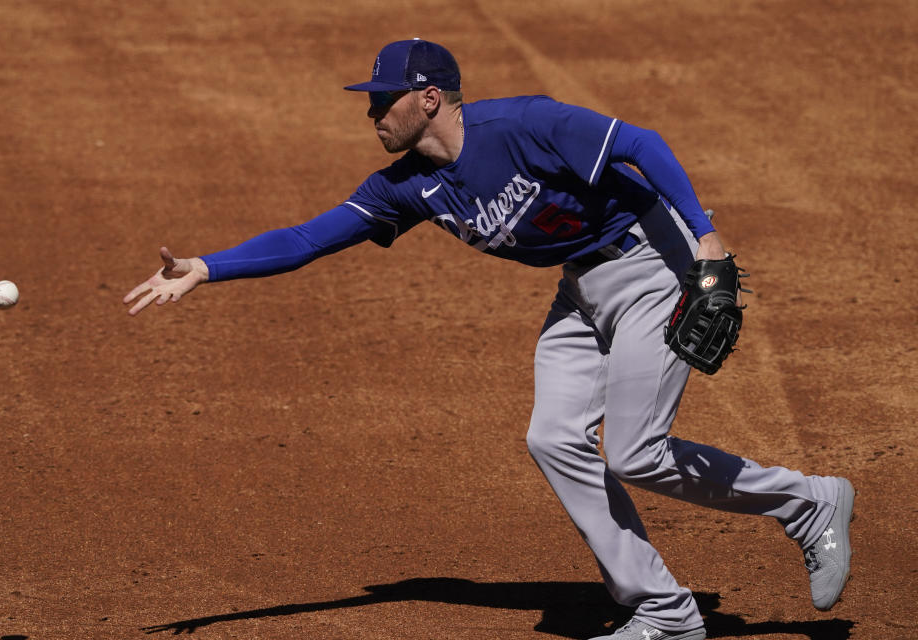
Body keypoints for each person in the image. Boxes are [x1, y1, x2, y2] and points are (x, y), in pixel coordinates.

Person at [123, 39, 855, 639]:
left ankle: (806, 504)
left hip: (651, 262)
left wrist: (709, 242)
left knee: (635, 452)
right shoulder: (405, 187)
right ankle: (662, 610)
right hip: (582, 289)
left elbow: (641, 144)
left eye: (384, 98)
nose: (372, 111)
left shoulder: (524, 125)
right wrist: (206, 268)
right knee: (554, 437)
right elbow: (313, 236)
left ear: (430, 98)